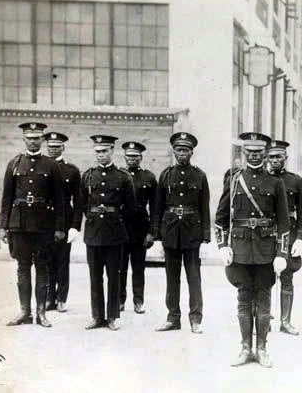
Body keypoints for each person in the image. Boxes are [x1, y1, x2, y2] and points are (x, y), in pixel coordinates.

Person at [215, 132, 290, 368]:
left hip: (266, 249)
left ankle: (262, 348)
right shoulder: (235, 180)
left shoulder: (275, 183)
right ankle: (246, 348)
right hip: (239, 249)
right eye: (250, 153)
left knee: (264, 299)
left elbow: (284, 221)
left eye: (259, 153)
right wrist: (222, 246)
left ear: (265, 154)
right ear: (244, 154)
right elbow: (220, 216)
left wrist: (281, 254)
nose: (255, 156)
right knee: (244, 299)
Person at [0, 122, 65, 328]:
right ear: (24, 139)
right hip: (19, 224)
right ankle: (25, 312)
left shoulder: (51, 165)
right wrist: (4, 225)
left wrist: (60, 227)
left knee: (43, 267)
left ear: (42, 140)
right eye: (29, 138)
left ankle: (41, 314)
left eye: (37, 138)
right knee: (22, 267)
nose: (33, 141)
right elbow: (7, 197)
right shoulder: (14, 163)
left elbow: (59, 200)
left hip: (43, 225)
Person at [153, 132, 210, 334]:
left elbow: (204, 208)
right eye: (178, 150)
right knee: (172, 278)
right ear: (174, 151)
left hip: (192, 233)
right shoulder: (166, 175)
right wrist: (158, 237)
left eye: (185, 150)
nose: (182, 154)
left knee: (194, 278)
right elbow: (158, 208)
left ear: (191, 152)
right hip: (170, 233)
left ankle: (196, 318)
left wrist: (205, 239)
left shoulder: (199, 175)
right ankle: (173, 318)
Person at [80, 135, 136, 331]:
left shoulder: (123, 177)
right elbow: (82, 204)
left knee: (114, 275)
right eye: (97, 151)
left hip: (114, 234)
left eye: (104, 151)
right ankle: (97, 316)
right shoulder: (87, 176)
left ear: (112, 150)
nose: (101, 155)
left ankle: (112, 316)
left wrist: (116, 219)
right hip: (94, 234)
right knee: (95, 276)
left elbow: (130, 208)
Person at [267, 140, 302, 335]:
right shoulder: (263, 178)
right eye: (272, 156)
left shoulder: (296, 181)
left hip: (288, 236)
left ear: (286, 158)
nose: (275, 160)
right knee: (264, 280)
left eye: (279, 157)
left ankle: (285, 321)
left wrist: (300, 238)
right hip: (266, 235)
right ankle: (264, 320)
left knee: (287, 278)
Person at [43, 131, 82, 313]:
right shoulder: (41, 166)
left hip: (65, 219)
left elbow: (78, 201)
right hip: (44, 220)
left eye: (56, 147)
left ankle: (61, 298)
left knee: (62, 260)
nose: (53, 150)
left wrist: (75, 226)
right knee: (46, 259)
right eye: (50, 147)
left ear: (63, 147)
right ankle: (49, 298)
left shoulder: (71, 170)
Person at [119, 141, 157, 314]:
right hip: (120, 227)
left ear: (141, 158)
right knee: (120, 267)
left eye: (135, 156)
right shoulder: (118, 175)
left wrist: (152, 232)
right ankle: (119, 300)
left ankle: (138, 301)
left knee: (138, 267)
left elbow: (155, 208)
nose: (132, 159)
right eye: (129, 156)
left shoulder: (148, 177)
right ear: (124, 157)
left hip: (140, 227)